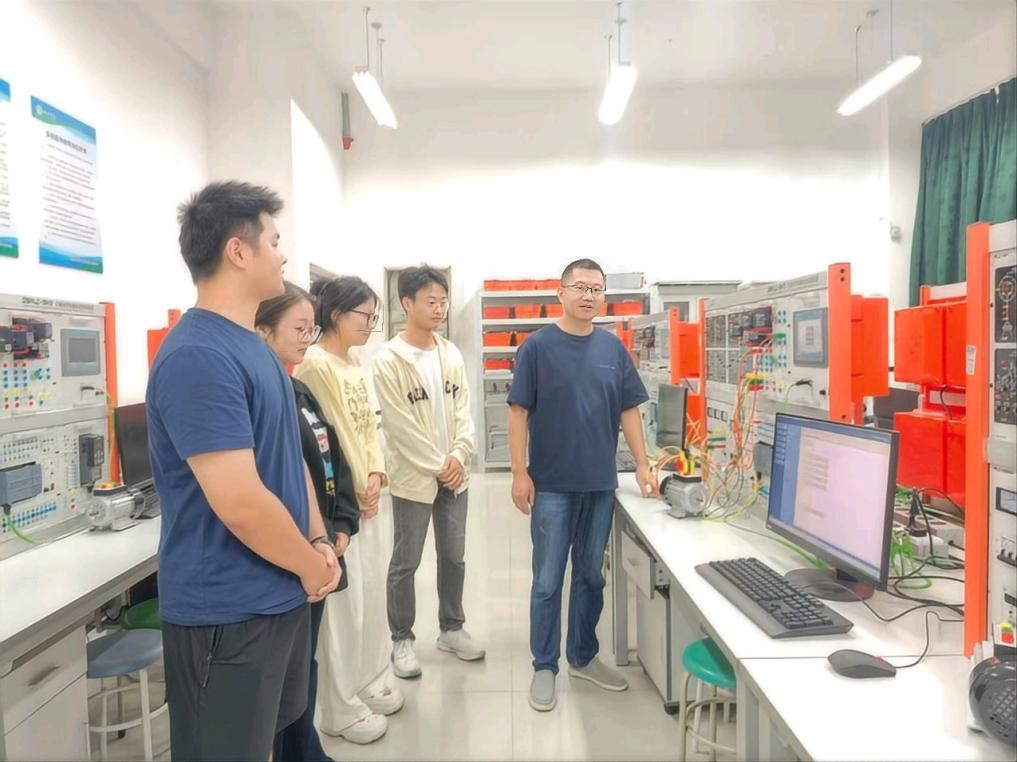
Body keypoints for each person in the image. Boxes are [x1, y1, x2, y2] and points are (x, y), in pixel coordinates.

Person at [147, 182, 341, 761]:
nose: (282, 254)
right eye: (274, 241)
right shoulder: (198, 356)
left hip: (278, 597)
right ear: (238, 251)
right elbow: (240, 502)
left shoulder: (256, 348)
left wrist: (317, 539)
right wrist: (309, 564)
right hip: (225, 616)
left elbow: (290, 459)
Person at [507, 257, 658, 713]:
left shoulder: (613, 349)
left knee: (591, 575)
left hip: (599, 485)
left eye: (596, 288)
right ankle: (544, 665)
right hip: (551, 484)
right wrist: (519, 472)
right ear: (561, 292)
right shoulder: (537, 347)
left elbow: (628, 409)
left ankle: (583, 656)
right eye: (580, 287)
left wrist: (643, 464)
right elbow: (518, 412)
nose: (589, 295)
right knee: (548, 580)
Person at [293, 276, 403, 745]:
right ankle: (338, 705)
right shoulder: (315, 366)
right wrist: (355, 489)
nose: (370, 325)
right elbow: (328, 440)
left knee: (373, 595)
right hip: (344, 504)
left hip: (371, 496)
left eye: (375, 317)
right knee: (344, 609)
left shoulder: (356, 361)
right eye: (365, 316)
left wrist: (376, 474)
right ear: (336, 314)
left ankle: (369, 678)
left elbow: (370, 429)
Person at [256, 282, 363, 762]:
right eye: (298, 328)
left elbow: (329, 456)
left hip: (318, 549)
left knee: (303, 665)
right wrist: (308, 550)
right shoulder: (259, 397)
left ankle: (305, 749)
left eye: (311, 328)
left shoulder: (297, 389)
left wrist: (341, 524)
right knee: (284, 675)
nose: (308, 338)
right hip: (289, 558)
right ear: (262, 331)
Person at [373, 265, 483, 680]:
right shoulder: (389, 360)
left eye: (443, 301)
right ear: (407, 303)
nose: (439, 308)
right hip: (414, 479)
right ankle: (402, 639)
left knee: (454, 556)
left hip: (455, 476)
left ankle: (451, 628)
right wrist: (440, 465)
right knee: (407, 561)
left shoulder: (450, 353)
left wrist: (459, 454)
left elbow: (463, 411)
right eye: (430, 301)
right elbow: (399, 426)